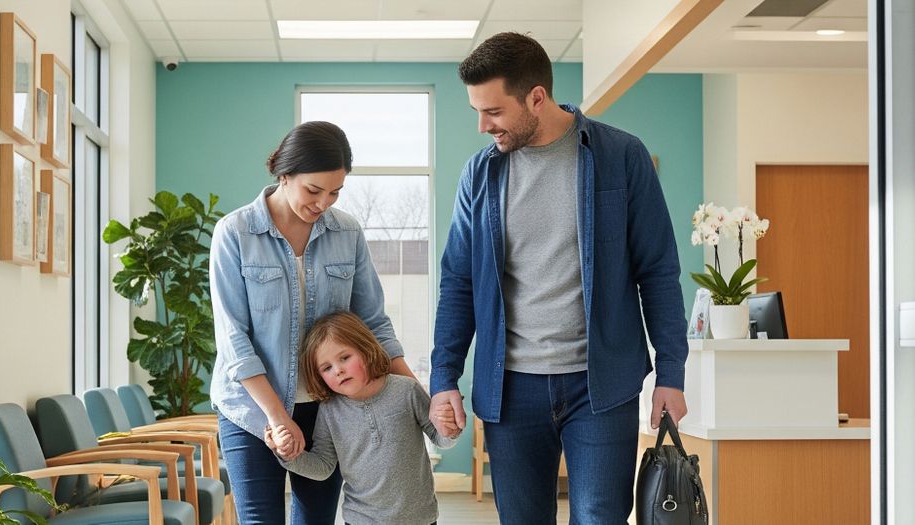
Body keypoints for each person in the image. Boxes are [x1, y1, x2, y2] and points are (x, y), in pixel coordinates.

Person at [428, 32, 690, 524]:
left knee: (600, 516)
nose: (484, 126)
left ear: (536, 97)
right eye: (477, 112)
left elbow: (657, 271)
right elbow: (458, 282)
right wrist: (444, 377)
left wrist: (670, 374)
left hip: (601, 384)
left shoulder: (621, 157)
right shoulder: (479, 175)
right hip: (510, 387)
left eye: (495, 112)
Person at [209, 121, 418, 525]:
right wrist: (276, 416)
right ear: (284, 175)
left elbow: (372, 320)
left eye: (335, 191)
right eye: (314, 190)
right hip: (252, 408)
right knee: (259, 519)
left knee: (316, 519)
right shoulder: (235, 233)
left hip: (328, 405)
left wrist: (412, 392)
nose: (324, 202)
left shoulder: (347, 232)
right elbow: (233, 338)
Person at [265, 311, 457, 525]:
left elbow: (439, 437)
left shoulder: (407, 390)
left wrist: (449, 429)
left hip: (421, 519)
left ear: (365, 349)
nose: (338, 370)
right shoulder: (329, 411)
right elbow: (323, 466)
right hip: (360, 520)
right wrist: (288, 454)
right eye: (327, 368)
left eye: (345, 358)